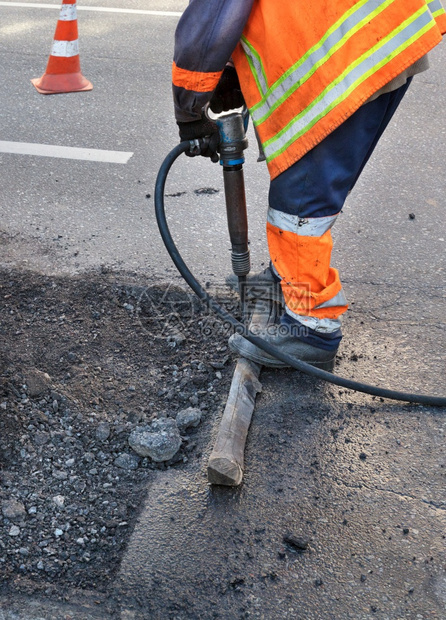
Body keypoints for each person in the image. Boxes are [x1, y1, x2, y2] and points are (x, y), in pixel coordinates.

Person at [172, 0, 446, 371]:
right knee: (312, 187)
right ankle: (287, 280)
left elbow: (211, 23)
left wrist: (189, 109)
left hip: (342, 56)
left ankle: (311, 325)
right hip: (379, 37)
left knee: (299, 200)